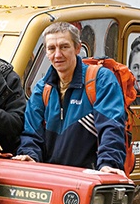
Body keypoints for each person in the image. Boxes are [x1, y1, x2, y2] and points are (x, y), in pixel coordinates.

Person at [13, 22, 126, 174]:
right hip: (52, 179)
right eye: (51, 48)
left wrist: (109, 163)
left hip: (90, 177)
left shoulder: (100, 80)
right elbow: (31, 133)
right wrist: (29, 155)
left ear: (78, 48)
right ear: (46, 52)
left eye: (64, 46)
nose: (58, 54)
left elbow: (111, 126)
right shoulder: (42, 89)